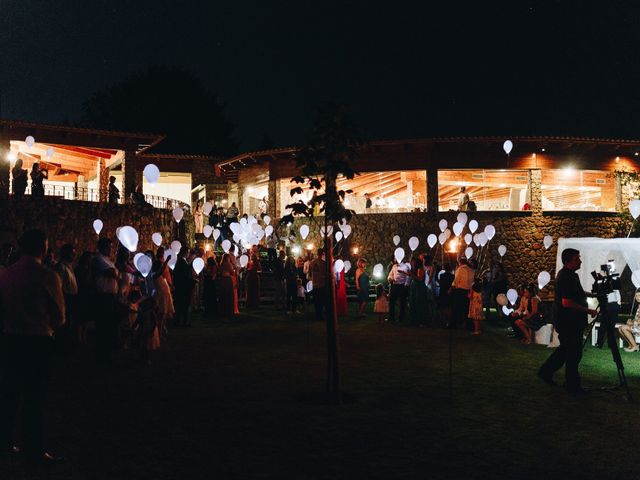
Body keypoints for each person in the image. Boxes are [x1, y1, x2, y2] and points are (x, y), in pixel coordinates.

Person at [0, 229, 66, 465]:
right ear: (43, 247)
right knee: (35, 397)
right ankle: (34, 448)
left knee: (9, 395)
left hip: (10, 339)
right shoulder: (47, 276)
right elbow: (59, 316)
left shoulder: (6, 275)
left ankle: (5, 442)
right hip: (38, 340)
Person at [538, 248, 597, 394]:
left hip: (572, 322)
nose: (580, 261)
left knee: (566, 351)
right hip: (568, 322)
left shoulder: (572, 276)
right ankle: (572, 385)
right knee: (573, 353)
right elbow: (567, 302)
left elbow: (577, 294)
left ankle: (546, 372)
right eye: (577, 259)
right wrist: (589, 311)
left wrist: (592, 294)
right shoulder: (565, 277)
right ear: (569, 261)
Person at [91, 237, 119, 365]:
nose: (110, 249)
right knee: (104, 326)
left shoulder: (108, 260)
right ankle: (102, 355)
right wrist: (115, 273)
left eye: (111, 247)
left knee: (109, 326)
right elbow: (112, 273)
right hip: (103, 298)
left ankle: (107, 354)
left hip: (110, 297)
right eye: (108, 247)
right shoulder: (98, 259)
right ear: (101, 247)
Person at [54, 244, 78, 353]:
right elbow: (59, 284)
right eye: (72, 253)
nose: (74, 255)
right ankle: (60, 347)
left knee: (68, 323)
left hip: (71, 298)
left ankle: (64, 345)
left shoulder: (69, 266)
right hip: (65, 298)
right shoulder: (61, 267)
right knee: (64, 324)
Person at [449, 257, 475, 329]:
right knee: (466, 308)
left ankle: (454, 323)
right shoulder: (471, 270)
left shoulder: (460, 269)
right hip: (467, 291)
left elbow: (456, 280)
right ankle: (468, 324)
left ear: (460, 262)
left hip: (460, 290)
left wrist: (452, 287)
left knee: (456, 307)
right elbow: (472, 282)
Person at [173, 247, 195, 327]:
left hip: (182, 286)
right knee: (184, 304)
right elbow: (184, 275)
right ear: (185, 252)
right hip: (184, 287)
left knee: (181, 305)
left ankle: (181, 320)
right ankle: (183, 321)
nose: (189, 254)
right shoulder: (182, 262)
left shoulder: (181, 261)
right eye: (188, 252)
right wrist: (192, 281)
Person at [408, 256, 428, 325]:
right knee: (413, 302)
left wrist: (411, 275)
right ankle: (414, 320)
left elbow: (419, 278)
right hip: (415, 286)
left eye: (413, 262)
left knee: (418, 302)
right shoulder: (416, 269)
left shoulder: (420, 269)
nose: (412, 263)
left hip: (418, 287)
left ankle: (419, 320)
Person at [218, 253, 238, 318]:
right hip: (227, 280)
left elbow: (220, 272)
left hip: (222, 280)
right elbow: (232, 272)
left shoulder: (221, 264)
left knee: (223, 295)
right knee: (229, 295)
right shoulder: (228, 264)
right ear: (228, 258)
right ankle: (228, 310)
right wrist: (235, 270)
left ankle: (223, 310)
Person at [310, 248, 327, 321]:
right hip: (320, 284)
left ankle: (318, 314)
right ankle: (319, 315)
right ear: (322, 254)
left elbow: (311, 272)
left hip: (315, 284)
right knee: (320, 301)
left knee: (317, 301)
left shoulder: (313, 262)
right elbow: (324, 274)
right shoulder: (323, 263)